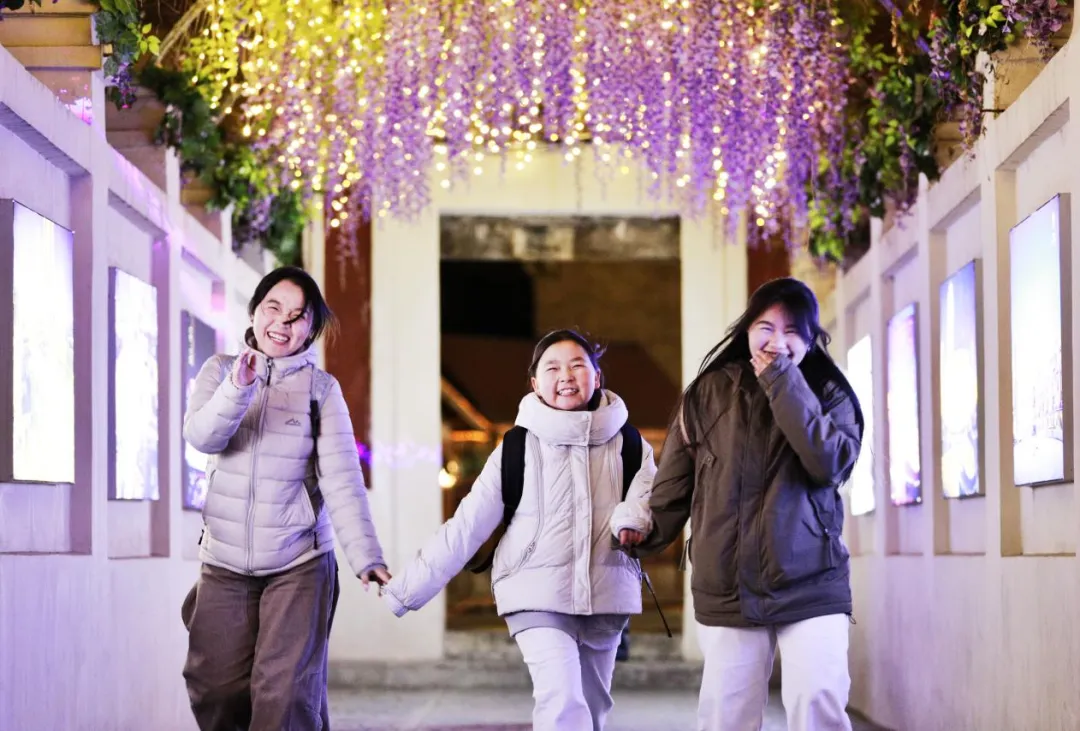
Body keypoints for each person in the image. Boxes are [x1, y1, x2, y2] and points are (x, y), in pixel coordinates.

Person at [615, 277, 864, 731]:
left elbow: (828, 464)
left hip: (811, 580)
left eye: (792, 331)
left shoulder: (831, 392)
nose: (777, 341)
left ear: (811, 338)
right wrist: (644, 532)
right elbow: (674, 484)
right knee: (726, 715)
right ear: (747, 329)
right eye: (766, 327)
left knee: (818, 699)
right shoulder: (707, 393)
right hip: (728, 584)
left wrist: (783, 381)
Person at [382, 329, 657, 731]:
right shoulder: (516, 448)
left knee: (593, 709)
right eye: (553, 368)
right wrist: (406, 589)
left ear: (597, 376)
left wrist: (632, 521)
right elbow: (468, 524)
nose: (566, 375)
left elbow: (647, 496)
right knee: (562, 701)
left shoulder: (631, 444)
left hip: (607, 593)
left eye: (578, 365)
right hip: (535, 591)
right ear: (535, 384)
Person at [181, 266, 391, 731]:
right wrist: (239, 387)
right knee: (214, 686)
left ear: (310, 330)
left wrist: (366, 557)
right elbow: (202, 437)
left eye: (298, 316)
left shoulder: (321, 390)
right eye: (273, 308)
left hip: (299, 562)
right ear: (255, 311)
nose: (282, 322)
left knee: (284, 693)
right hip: (224, 561)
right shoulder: (219, 371)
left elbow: (342, 479)